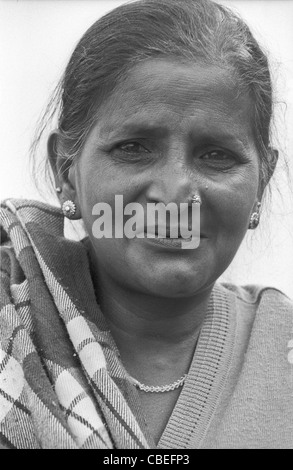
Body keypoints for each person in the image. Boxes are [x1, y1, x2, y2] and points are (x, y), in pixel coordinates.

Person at [0, 0, 292, 450]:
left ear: (261, 181)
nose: (176, 192)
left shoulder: (282, 354)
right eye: (134, 148)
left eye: (216, 156)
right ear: (65, 171)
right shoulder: (10, 331)